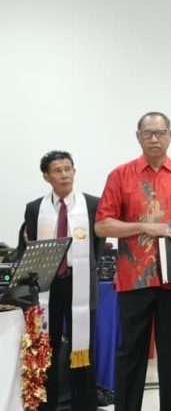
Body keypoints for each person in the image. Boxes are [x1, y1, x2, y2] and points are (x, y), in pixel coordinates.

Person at [94, 112, 171, 411]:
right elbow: (102, 225)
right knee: (130, 355)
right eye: (148, 133)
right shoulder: (120, 175)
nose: (154, 139)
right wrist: (143, 226)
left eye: (160, 133)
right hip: (134, 280)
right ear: (138, 137)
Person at [24, 150, 102, 411]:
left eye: (68, 169)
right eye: (57, 171)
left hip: (81, 284)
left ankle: (84, 405)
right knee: (47, 347)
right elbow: (32, 249)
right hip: (48, 288)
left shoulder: (92, 204)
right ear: (46, 177)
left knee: (83, 347)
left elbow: (97, 246)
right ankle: (47, 405)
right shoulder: (35, 208)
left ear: (74, 171)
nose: (65, 175)